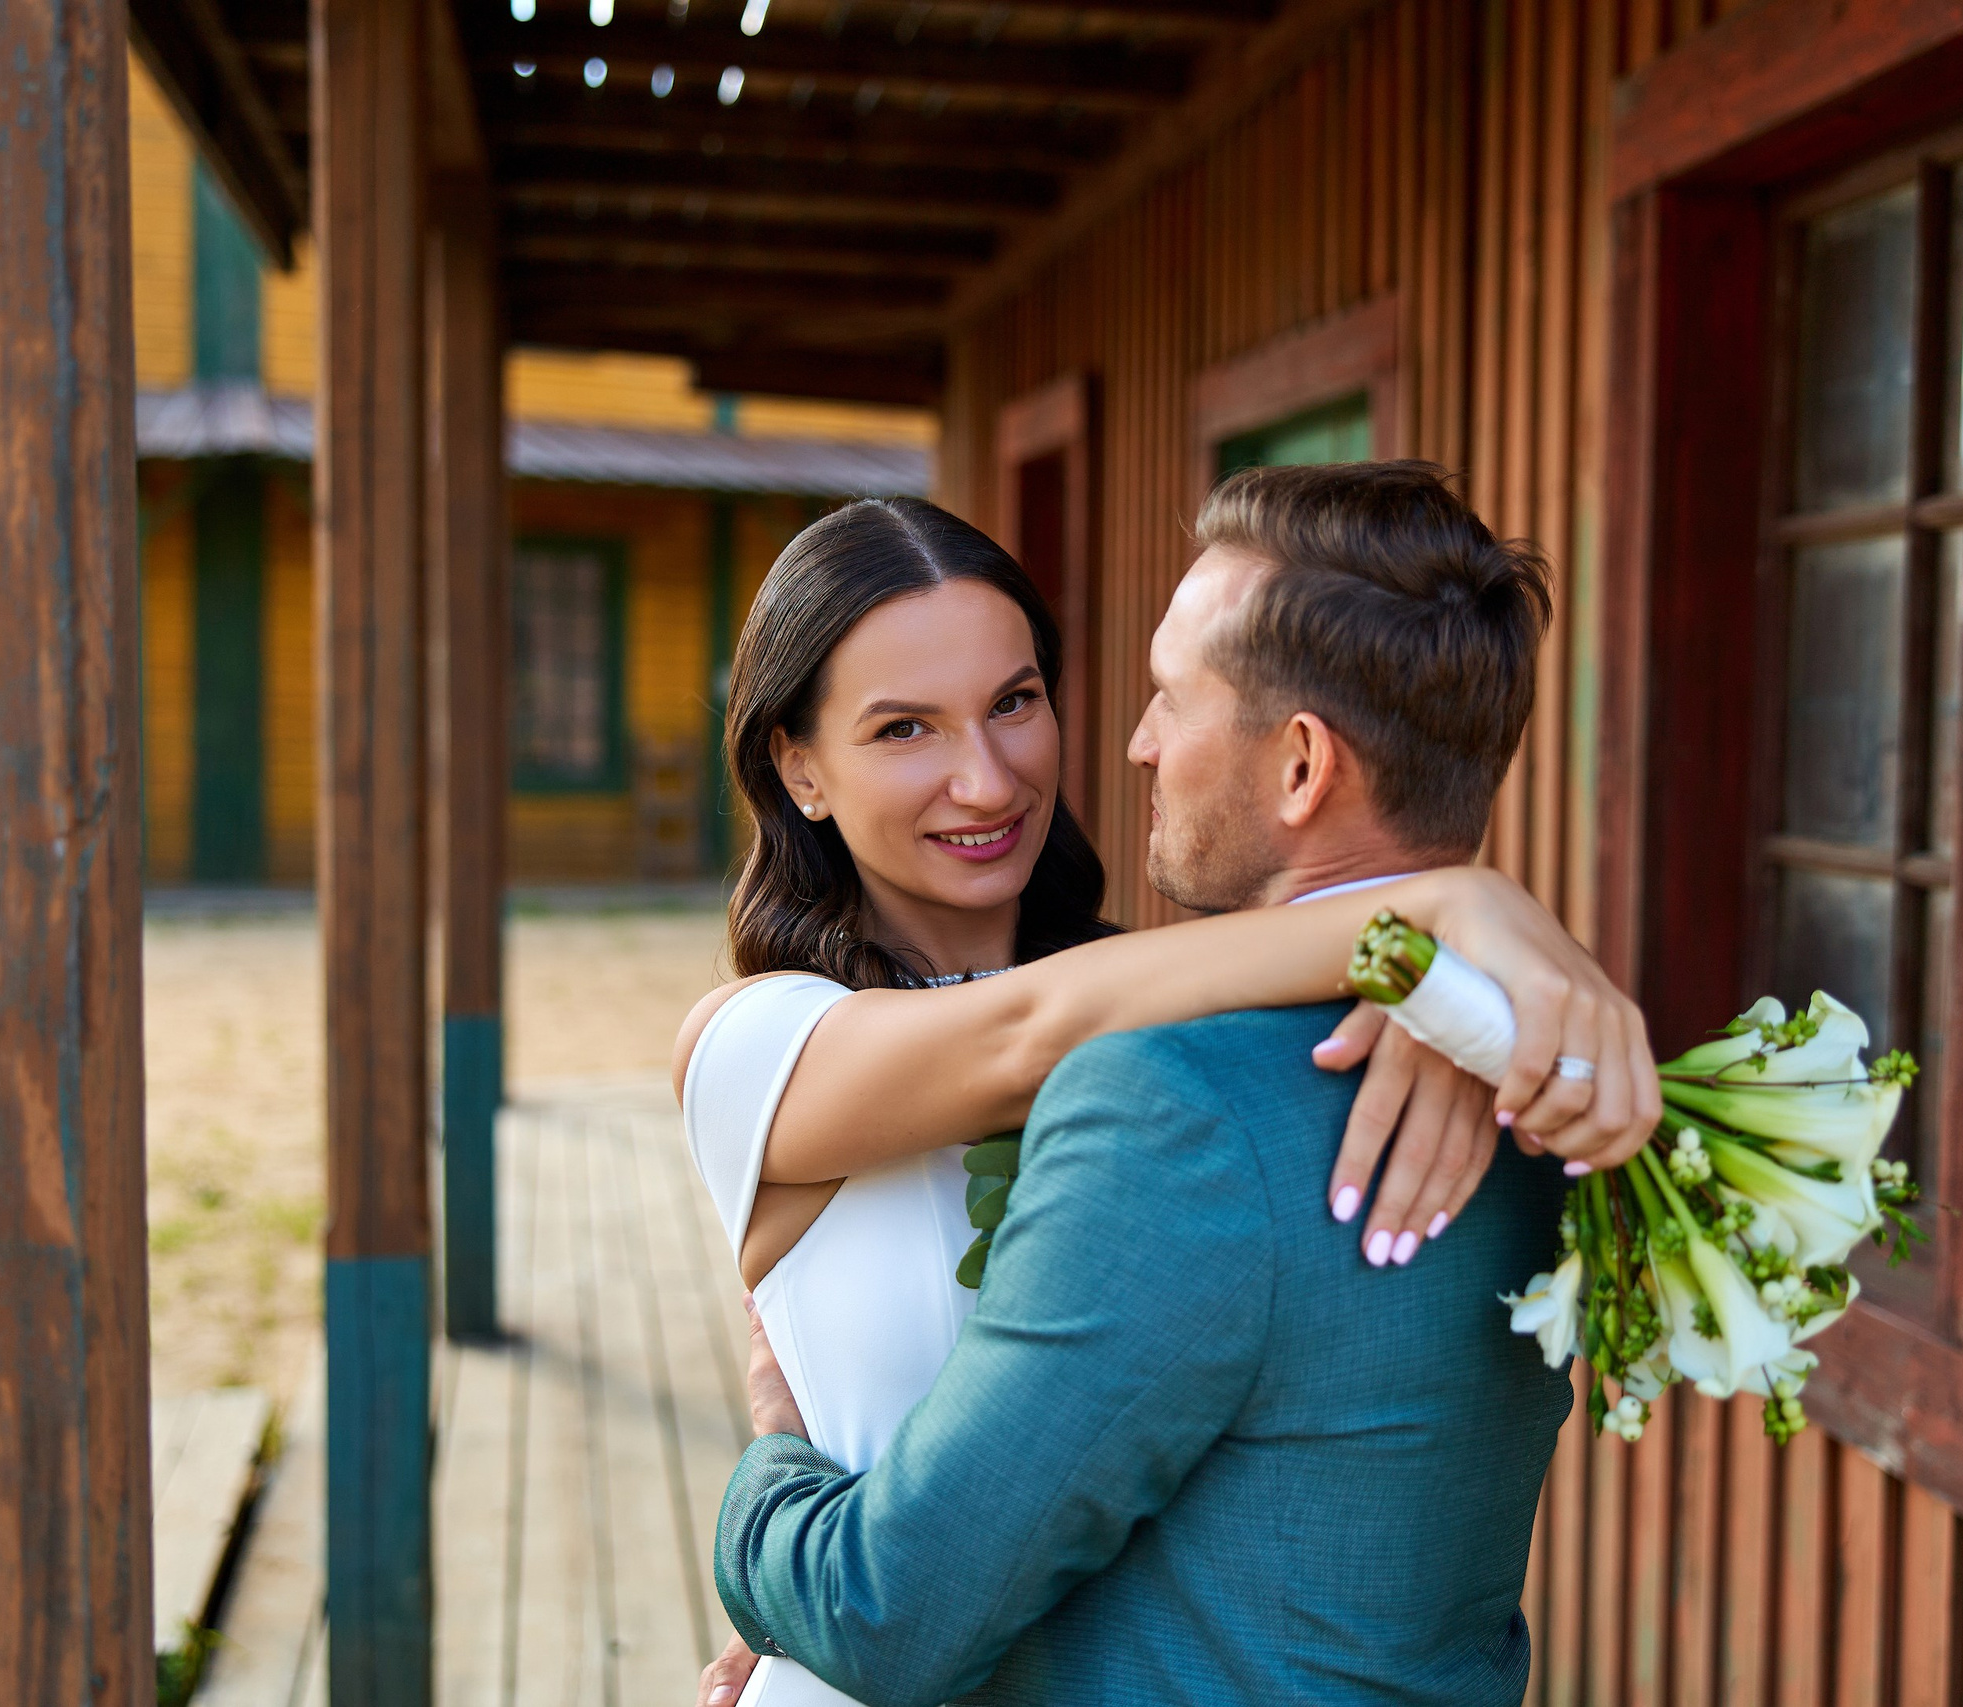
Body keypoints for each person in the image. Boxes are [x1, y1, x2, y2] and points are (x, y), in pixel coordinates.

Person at [679, 478, 1655, 1707]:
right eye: (901, 729)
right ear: (799, 770)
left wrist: (1445, 1007)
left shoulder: (1191, 1036)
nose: (987, 778)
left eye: (1016, 702)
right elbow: (1030, 1031)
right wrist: (1453, 908)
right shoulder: (758, 1040)